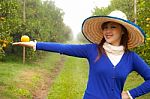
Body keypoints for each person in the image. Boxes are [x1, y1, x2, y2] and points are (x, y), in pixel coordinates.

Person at [13, 10, 150, 99]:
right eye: (105, 27)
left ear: (123, 31)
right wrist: (36, 44)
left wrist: (130, 94)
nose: (107, 31)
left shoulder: (131, 58)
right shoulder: (93, 50)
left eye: (113, 27)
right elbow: (64, 48)